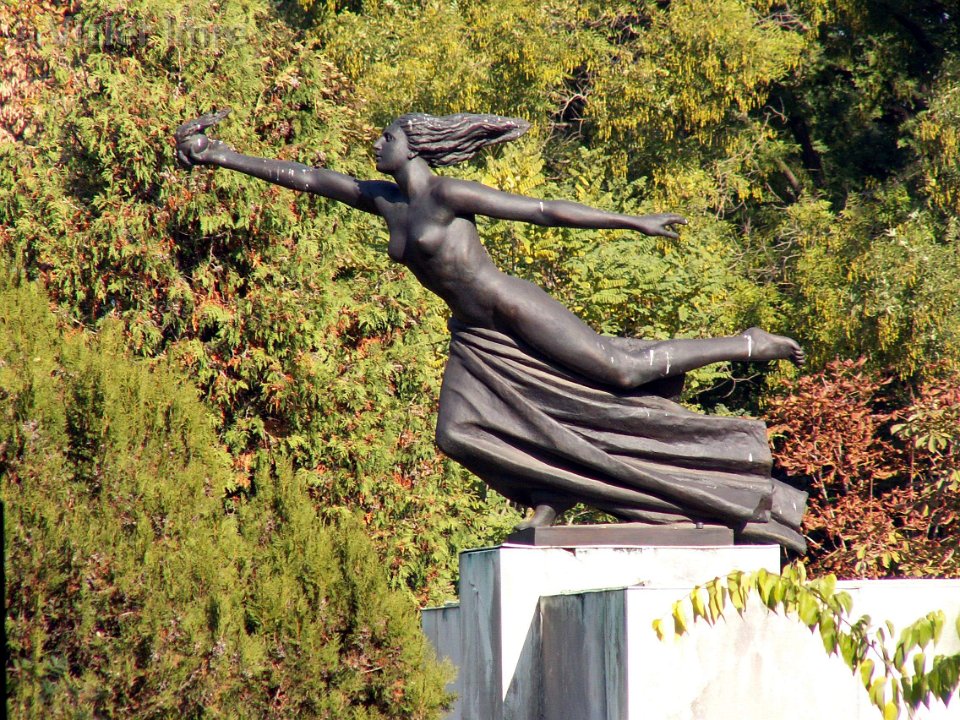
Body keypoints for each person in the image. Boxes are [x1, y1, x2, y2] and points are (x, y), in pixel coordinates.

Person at [175, 110, 808, 552]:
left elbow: (543, 211)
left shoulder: (448, 194)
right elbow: (310, 178)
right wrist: (219, 156)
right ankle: (548, 493)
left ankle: (747, 343)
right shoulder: (384, 201)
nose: (376, 144)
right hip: (474, 334)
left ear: (414, 146)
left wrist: (631, 221)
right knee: (457, 432)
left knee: (621, 369)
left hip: (510, 308)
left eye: (387, 136)